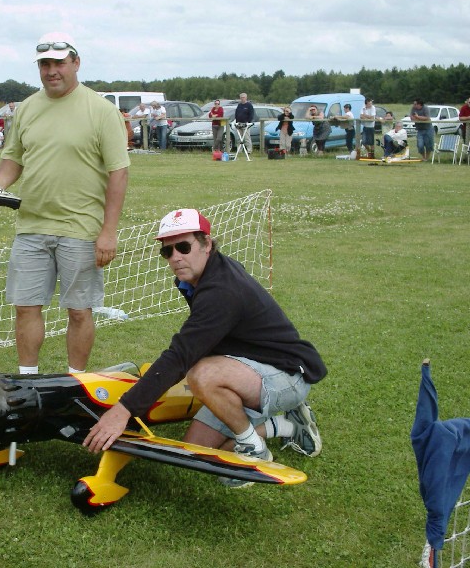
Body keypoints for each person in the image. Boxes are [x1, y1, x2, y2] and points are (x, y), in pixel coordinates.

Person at [83, 208, 326, 488]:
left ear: (206, 244)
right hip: (249, 366)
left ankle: (253, 445)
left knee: (201, 374)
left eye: (183, 247)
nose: (175, 257)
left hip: (286, 374)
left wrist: (123, 410)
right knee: (197, 447)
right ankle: (289, 427)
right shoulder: (203, 275)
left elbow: (180, 356)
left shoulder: (221, 291)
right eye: (167, 251)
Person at [0, 31, 129, 375]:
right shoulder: (28, 108)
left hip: (81, 229)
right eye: (45, 64)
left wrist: (108, 232)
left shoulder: (102, 111)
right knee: (26, 307)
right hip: (31, 226)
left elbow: (118, 174)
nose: (52, 71)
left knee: (79, 311)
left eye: (59, 63)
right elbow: (12, 161)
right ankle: (28, 379)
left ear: (76, 63)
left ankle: (75, 381)